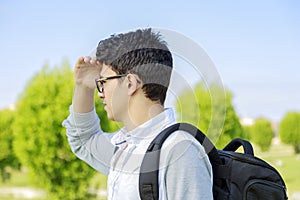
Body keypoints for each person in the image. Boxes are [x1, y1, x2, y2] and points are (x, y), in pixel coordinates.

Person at [62, 28, 213, 200]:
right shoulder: (124, 147)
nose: (100, 93)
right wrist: (82, 86)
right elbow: (83, 140)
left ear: (130, 83)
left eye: (103, 82)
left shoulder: (179, 151)